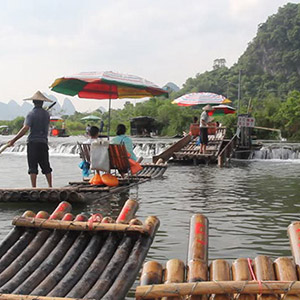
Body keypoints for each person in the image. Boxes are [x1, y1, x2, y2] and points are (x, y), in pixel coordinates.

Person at [7, 91, 53, 187]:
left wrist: (13, 140)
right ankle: (50, 186)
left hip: (33, 143)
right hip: (43, 142)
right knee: (46, 165)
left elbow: (25, 128)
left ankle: (34, 187)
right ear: (42, 102)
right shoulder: (46, 114)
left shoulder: (31, 114)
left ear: (33, 102)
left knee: (33, 166)